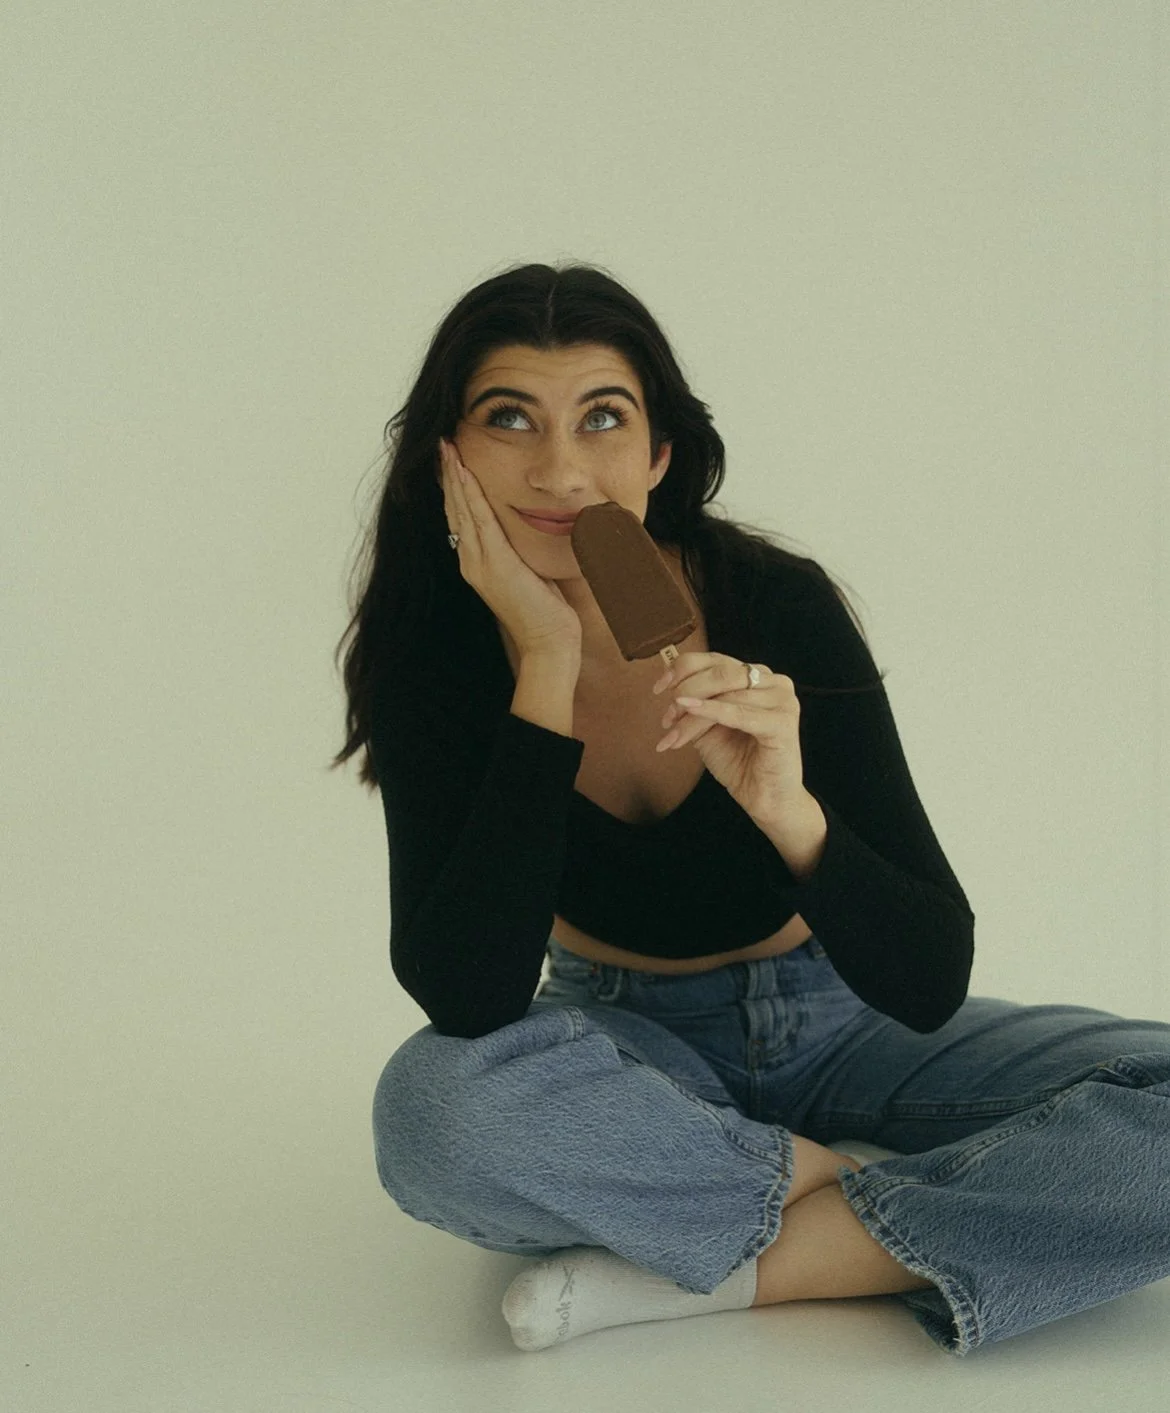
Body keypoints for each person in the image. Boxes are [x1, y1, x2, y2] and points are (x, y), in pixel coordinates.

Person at [330, 262, 1170, 1356]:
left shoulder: (775, 605)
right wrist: (544, 663)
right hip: (620, 1050)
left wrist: (789, 808)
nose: (561, 468)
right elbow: (468, 993)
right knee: (432, 1113)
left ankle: (723, 1271)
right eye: (508, 418)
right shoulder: (432, 655)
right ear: (445, 454)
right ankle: (866, 1197)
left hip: (846, 1019)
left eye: (603, 418)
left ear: (660, 453)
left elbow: (926, 983)